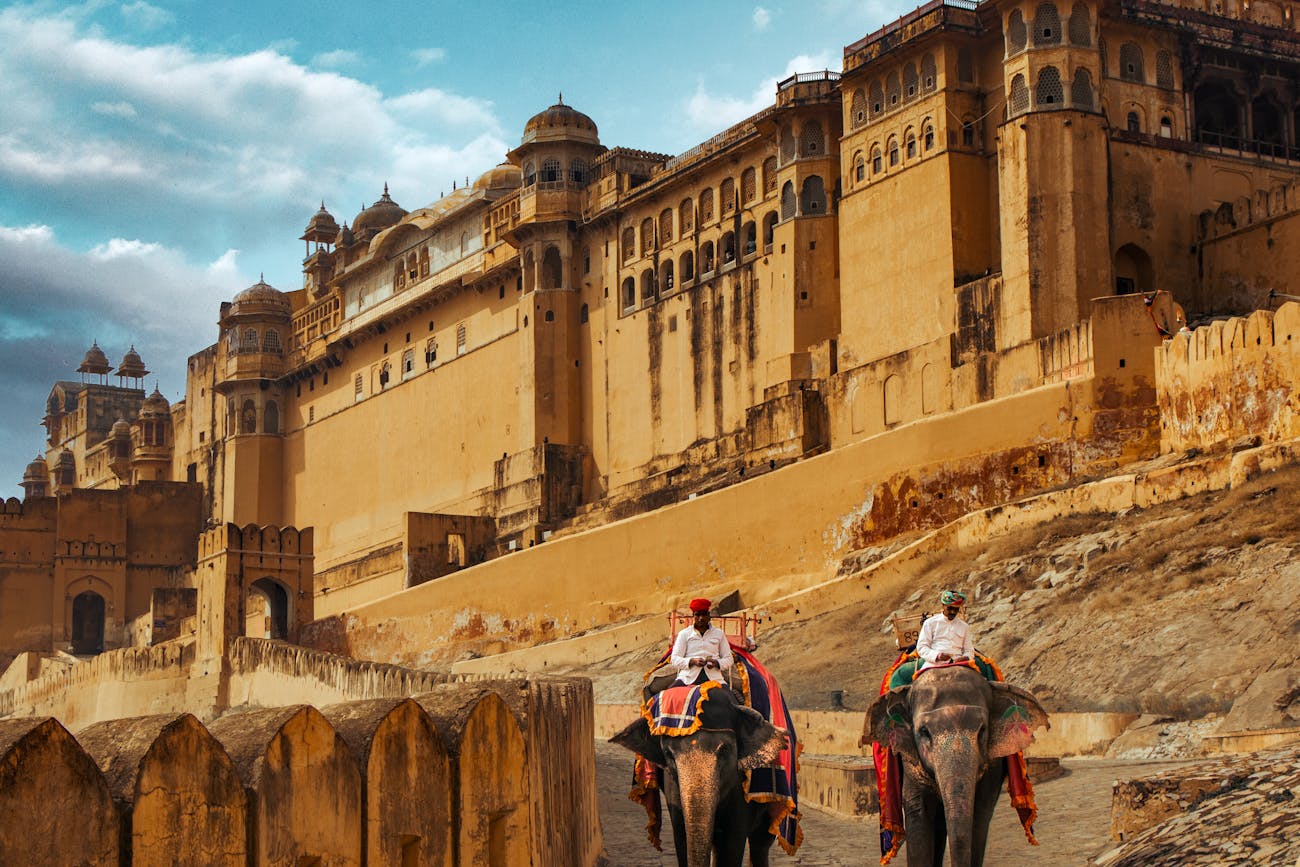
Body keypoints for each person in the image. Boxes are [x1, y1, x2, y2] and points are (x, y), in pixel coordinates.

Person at [671, 597, 733, 687]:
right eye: (697, 615)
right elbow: (674, 658)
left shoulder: (719, 633)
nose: (701, 618)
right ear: (693, 616)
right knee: (667, 697)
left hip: (714, 678)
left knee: (730, 699)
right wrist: (692, 661)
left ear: (709, 616)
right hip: (688, 678)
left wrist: (717, 663)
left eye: (704, 615)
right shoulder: (684, 634)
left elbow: (729, 658)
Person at [916, 589, 974, 671]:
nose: (953, 612)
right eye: (949, 608)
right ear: (943, 605)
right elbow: (921, 647)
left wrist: (965, 657)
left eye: (956, 609)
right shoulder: (930, 623)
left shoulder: (964, 626)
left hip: (959, 664)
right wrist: (937, 655)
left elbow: (969, 650)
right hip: (933, 664)